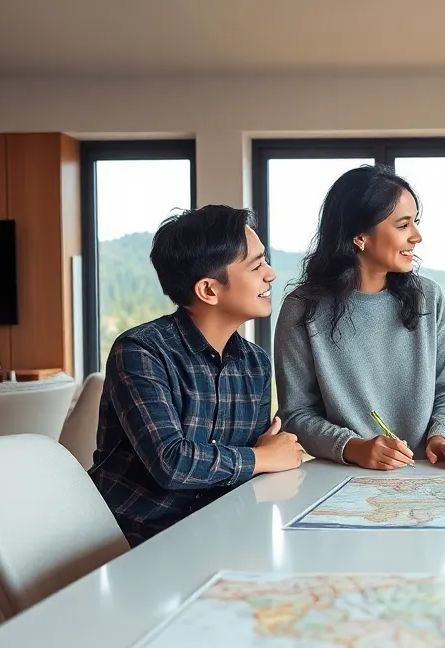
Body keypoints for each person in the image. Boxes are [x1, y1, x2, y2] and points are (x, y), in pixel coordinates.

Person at [91, 205, 303, 546]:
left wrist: (263, 457)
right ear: (208, 290)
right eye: (256, 265)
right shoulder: (140, 351)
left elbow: (251, 469)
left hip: (220, 531)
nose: (271, 274)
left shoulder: (255, 363)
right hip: (135, 541)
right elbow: (172, 463)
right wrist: (262, 457)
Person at [274, 165, 445, 471]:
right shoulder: (302, 309)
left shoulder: (429, 298)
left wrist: (440, 437)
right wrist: (353, 448)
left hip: (424, 476)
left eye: (415, 223)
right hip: (340, 479)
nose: (417, 236)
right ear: (360, 236)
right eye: (403, 225)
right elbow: (297, 414)